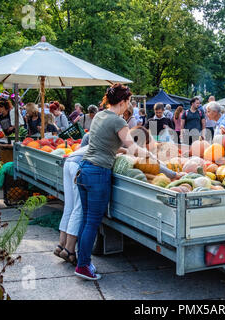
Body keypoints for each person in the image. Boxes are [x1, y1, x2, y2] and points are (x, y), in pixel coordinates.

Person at [74, 84, 152, 280]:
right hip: (98, 174)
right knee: (92, 222)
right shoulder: (118, 121)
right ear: (124, 101)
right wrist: (151, 157)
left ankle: (81, 261)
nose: (129, 105)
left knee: (86, 220)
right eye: (129, 102)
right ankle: (83, 266)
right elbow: (132, 146)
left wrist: (123, 150)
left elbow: (103, 144)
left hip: (84, 169)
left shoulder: (99, 115)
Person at [54, 134, 90, 266]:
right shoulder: (114, 131)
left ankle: (61, 244)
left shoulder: (89, 134)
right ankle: (69, 250)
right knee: (78, 207)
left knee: (69, 206)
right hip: (79, 164)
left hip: (70, 160)